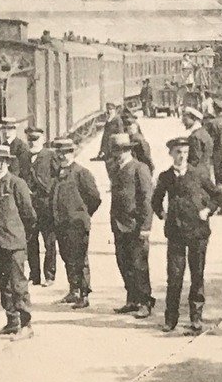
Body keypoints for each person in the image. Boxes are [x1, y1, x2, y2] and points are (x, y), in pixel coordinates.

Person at [151, 135, 222, 333]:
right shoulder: (165, 177)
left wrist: (207, 210)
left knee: (197, 274)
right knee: (174, 276)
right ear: (171, 154)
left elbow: (217, 196)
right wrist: (162, 214)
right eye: (178, 153)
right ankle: (170, 319)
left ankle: (196, 317)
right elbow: (156, 200)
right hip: (175, 232)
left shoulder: (199, 174)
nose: (182, 156)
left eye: (185, 153)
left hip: (198, 232)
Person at [0, 144, 37, 338]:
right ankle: (12, 321)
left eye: (2, 161)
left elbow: (29, 215)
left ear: (8, 163)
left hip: (14, 243)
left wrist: (21, 237)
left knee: (18, 283)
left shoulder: (16, 184)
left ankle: (26, 325)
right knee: (2, 282)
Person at [51, 138, 102, 308]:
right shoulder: (59, 173)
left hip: (77, 224)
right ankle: (73, 291)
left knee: (80, 259)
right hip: (62, 224)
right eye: (60, 153)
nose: (63, 156)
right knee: (67, 258)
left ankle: (84, 294)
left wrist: (83, 214)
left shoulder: (82, 173)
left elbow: (94, 197)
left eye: (66, 152)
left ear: (73, 152)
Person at [111, 134, 156, 316]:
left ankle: (145, 302)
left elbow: (147, 199)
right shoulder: (117, 168)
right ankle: (132, 299)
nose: (119, 154)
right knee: (124, 263)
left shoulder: (140, 168)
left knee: (139, 265)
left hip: (135, 225)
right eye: (116, 151)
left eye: (122, 150)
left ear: (129, 150)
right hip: (119, 225)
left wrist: (145, 227)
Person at [26, 130, 59, 286]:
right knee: (31, 242)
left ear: (43, 139)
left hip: (46, 205)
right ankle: (34, 275)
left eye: (36, 139)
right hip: (30, 206)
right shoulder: (25, 157)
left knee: (49, 242)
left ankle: (49, 275)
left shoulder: (50, 156)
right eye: (30, 139)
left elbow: (58, 177)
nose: (33, 142)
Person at [181, 106, 215, 182]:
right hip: (205, 171)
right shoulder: (204, 133)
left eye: (185, 119)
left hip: (197, 175)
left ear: (193, 119)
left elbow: (195, 159)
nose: (183, 122)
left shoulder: (194, 137)